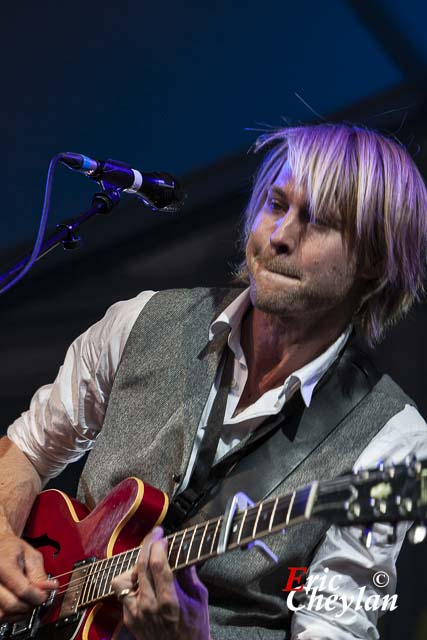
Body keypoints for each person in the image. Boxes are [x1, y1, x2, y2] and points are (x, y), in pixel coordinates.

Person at [1, 122, 427, 640]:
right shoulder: (142, 320)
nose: (279, 236)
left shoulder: (393, 439)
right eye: (275, 204)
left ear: (376, 261)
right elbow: (24, 450)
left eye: (316, 222)